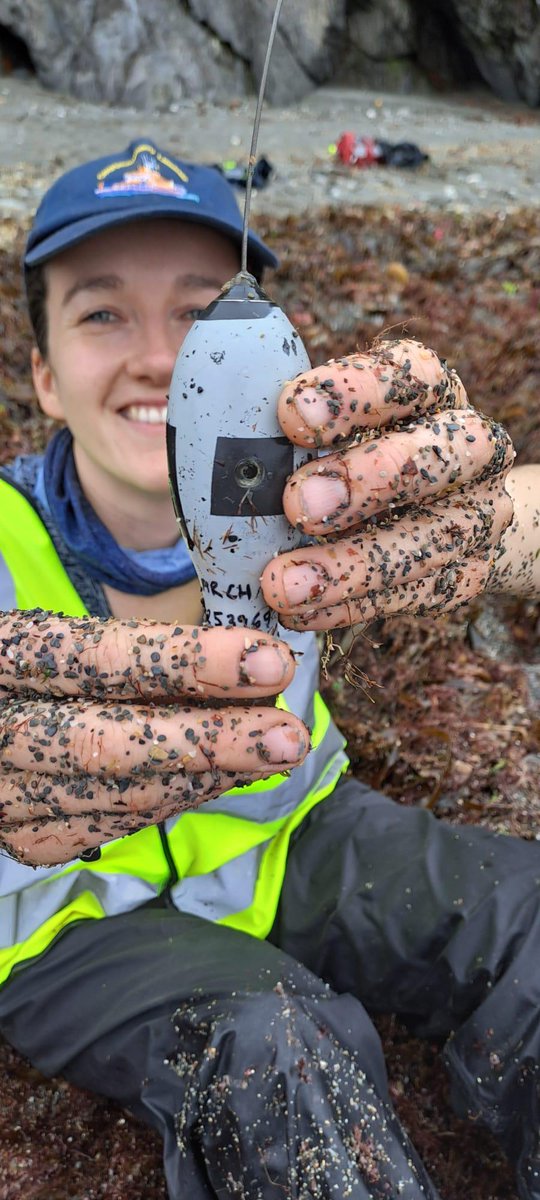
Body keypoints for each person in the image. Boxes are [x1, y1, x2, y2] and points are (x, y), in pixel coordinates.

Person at [0, 138, 538, 1200]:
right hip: (68, 919)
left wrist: (494, 525)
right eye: (103, 312)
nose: (160, 357)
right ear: (45, 376)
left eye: (202, 310)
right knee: (278, 1042)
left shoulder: (322, 508)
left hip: (293, 837)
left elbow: (504, 523)